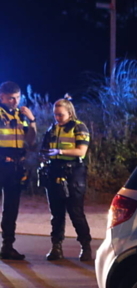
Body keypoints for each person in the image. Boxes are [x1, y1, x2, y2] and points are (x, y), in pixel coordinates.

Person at [41, 98, 92, 262]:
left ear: (69, 113)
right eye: (55, 114)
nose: (57, 118)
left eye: (60, 115)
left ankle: (86, 246)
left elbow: (81, 151)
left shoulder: (79, 127)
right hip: (54, 170)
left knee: (76, 212)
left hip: (73, 173)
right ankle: (56, 247)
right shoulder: (52, 129)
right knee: (56, 213)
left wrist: (59, 151)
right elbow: (44, 148)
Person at [0, 81, 37, 260]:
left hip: (15, 168)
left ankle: (8, 246)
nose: (15, 102)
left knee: (11, 208)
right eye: (11, 98)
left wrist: (32, 121)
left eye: (17, 98)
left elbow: (30, 142)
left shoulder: (21, 115)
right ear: (2, 97)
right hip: (1, 164)